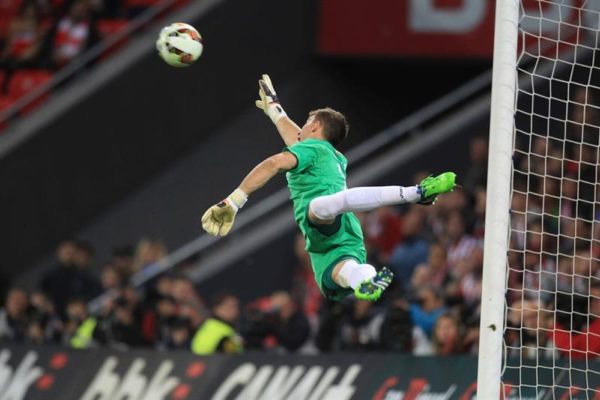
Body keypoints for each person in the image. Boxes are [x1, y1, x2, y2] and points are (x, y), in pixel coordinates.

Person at [201, 74, 457, 302]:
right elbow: (296, 137)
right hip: (341, 235)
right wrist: (275, 110)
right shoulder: (330, 154)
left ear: (314, 126)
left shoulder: (313, 149)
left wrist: (234, 201)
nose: (301, 127)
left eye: (306, 122)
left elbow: (274, 163)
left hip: (322, 222)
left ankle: (415, 192)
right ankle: (366, 281)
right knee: (347, 271)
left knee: (320, 206)